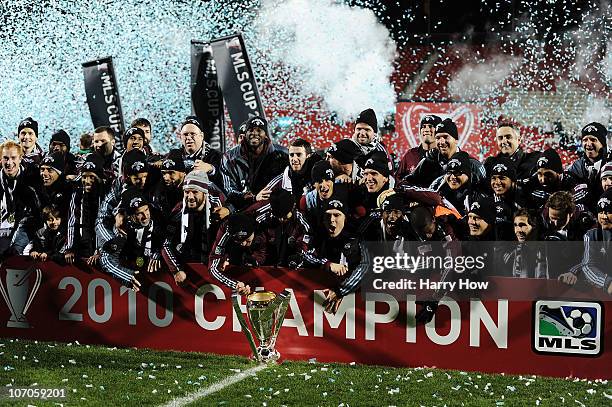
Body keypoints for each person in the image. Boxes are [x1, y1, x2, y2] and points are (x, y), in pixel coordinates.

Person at [302, 198, 369, 314]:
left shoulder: (358, 238)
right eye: (328, 216)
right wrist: (327, 264)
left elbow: (367, 266)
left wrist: (341, 290)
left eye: (337, 215)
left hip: (355, 303)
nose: (332, 220)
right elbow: (304, 256)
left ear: (345, 218)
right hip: (321, 299)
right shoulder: (318, 236)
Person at [162, 171, 228, 286]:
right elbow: (165, 243)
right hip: (190, 261)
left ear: (205, 193)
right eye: (187, 192)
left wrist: (226, 258)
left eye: (195, 192)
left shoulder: (218, 207)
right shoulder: (178, 210)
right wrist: (176, 269)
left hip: (213, 258)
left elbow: (230, 236)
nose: (190, 197)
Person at [100, 188, 165, 291]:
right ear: (130, 216)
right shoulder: (122, 231)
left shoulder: (159, 221)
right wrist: (126, 276)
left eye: (146, 210)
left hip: (160, 282)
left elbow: (169, 242)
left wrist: (158, 253)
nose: (145, 216)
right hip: (135, 285)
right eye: (139, 213)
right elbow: (106, 259)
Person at [221, 116, 287, 209]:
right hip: (240, 209)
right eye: (251, 130)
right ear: (246, 133)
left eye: (259, 130)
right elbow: (229, 191)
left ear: (266, 134)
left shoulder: (281, 156)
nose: (254, 133)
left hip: (272, 207)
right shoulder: (229, 158)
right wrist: (253, 198)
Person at [407, 118, 486, 187]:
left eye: (445, 137)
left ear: (455, 140)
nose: (441, 142)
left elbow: (485, 192)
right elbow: (407, 183)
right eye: (438, 138)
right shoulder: (427, 162)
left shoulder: (472, 164)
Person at [246, 189, 311, 267]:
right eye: (279, 216)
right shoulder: (265, 221)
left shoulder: (300, 223)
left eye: (285, 216)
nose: (281, 220)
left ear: (292, 208)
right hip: (270, 268)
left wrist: (297, 259)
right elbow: (261, 248)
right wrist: (256, 260)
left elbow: (304, 247)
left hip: (292, 268)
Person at [564, 190, 612, 295]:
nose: (604, 217)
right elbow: (588, 265)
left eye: (608, 212)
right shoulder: (592, 235)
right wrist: (608, 284)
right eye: (601, 212)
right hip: (601, 295)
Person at [208, 213, 269, 295]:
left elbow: (263, 254)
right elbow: (213, 267)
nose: (243, 243)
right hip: (232, 255)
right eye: (239, 241)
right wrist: (235, 285)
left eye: (247, 240)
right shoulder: (225, 233)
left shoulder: (261, 223)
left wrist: (256, 261)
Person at [64, 153, 108, 265]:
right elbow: (72, 221)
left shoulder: (105, 194)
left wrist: (100, 250)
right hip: (83, 244)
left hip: (103, 247)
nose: (87, 181)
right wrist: (70, 248)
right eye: (84, 177)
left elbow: (104, 224)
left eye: (91, 177)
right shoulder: (78, 193)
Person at [0, 141, 41, 256]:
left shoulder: (31, 179)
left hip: (25, 230)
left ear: (20, 158)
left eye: (13, 158)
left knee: (14, 253)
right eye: (5, 158)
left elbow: (37, 214)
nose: (9, 162)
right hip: (3, 231)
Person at [259, 138, 321, 204]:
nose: (294, 159)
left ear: (308, 156)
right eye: (291, 155)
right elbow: (262, 197)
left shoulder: (319, 175)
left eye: (299, 155)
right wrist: (255, 198)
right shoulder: (282, 179)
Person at [178, 116, 223, 187]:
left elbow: (225, 178)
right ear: (180, 137)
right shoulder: (175, 155)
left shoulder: (216, 156)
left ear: (201, 136)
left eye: (193, 134)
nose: (189, 138)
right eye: (185, 134)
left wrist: (210, 169)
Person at [396, 114, 441, 180]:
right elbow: (398, 180)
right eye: (423, 126)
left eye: (431, 126)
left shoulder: (445, 155)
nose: (426, 130)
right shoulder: (410, 155)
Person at [151, 149, 186, 214]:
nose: (166, 178)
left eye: (171, 173)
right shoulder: (160, 191)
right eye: (164, 173)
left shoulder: (192, 186)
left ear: (182, 173)